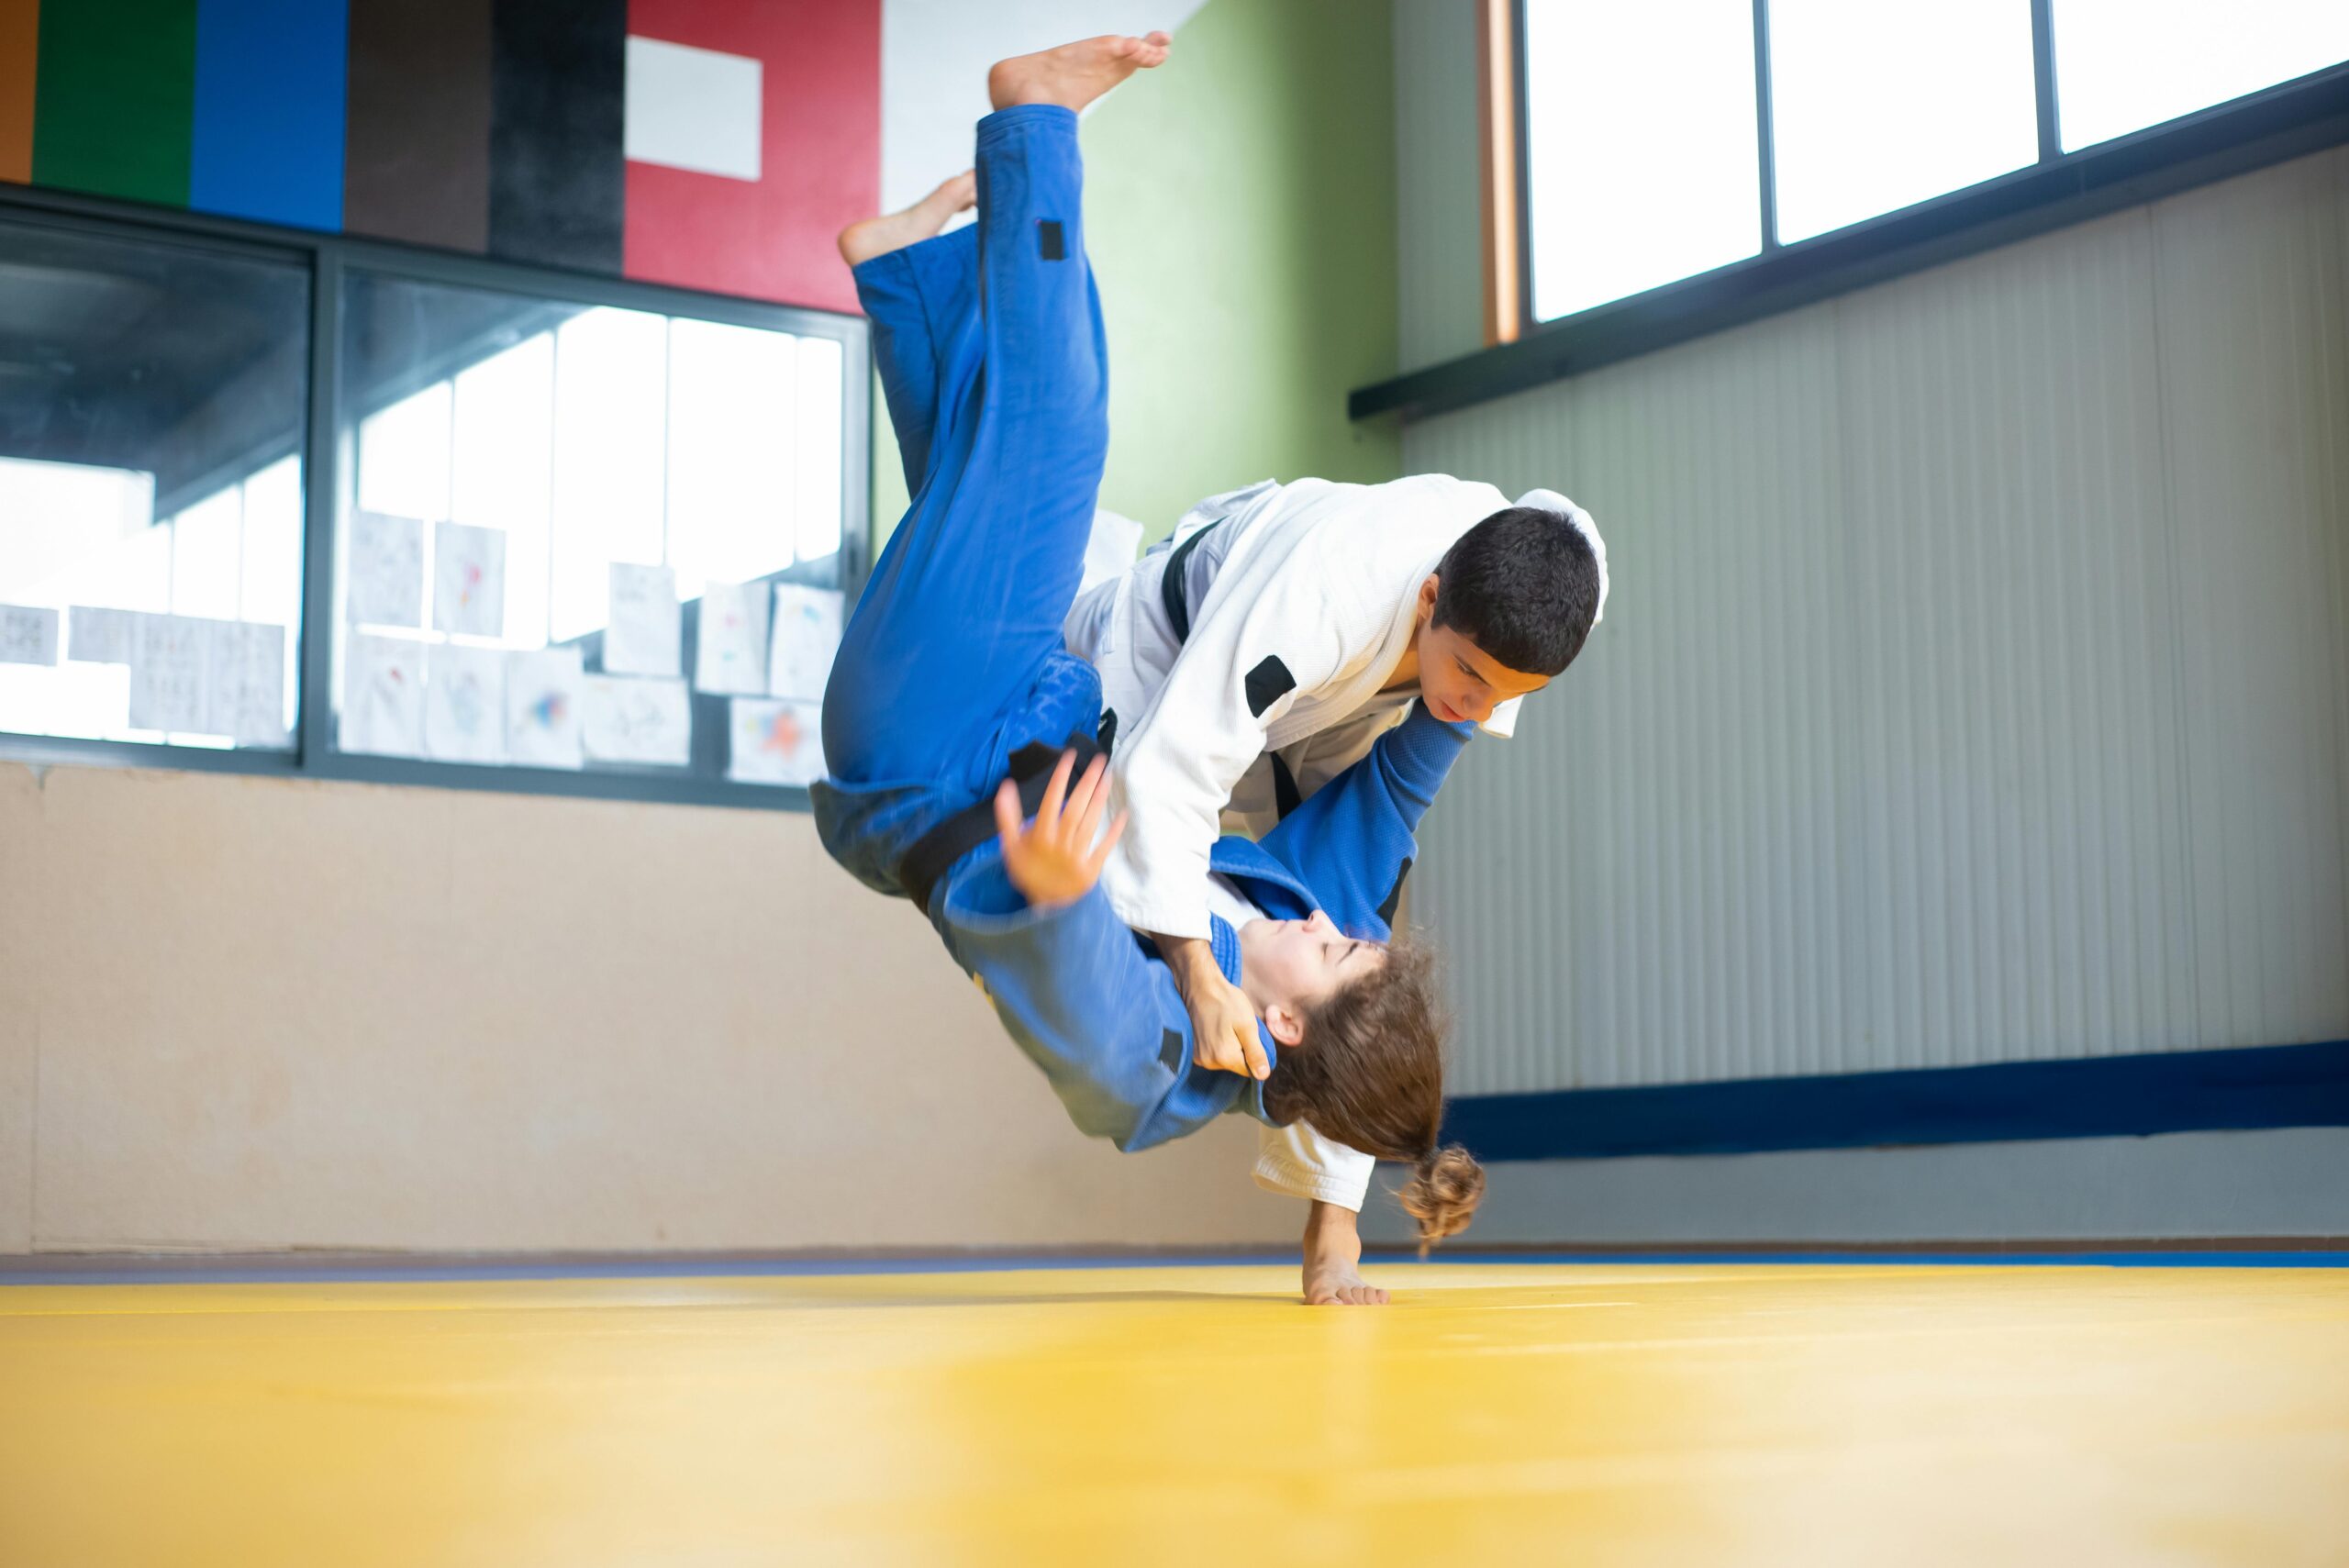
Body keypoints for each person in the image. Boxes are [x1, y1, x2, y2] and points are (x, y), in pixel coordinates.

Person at [811, 34, 1484, 1298]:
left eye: (1340, 955)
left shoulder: (1167, 1066)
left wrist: (1060, 899)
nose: (1341, 923)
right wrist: (1486, 683)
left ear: (1284, 1022)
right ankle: (900, 270)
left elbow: (1085, 1026)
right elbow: (1402, 784)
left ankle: (1034, 124)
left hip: (926, 741)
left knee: (1054, 434)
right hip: (1030, 687)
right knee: (989, 477)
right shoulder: (1301, 907)